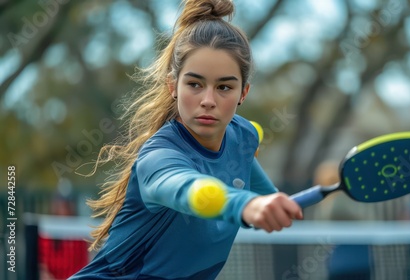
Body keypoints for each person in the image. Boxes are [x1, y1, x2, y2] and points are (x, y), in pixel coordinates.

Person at [70, 0, 303, 279]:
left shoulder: (243, 137)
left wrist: (274, 206)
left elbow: (266, 196)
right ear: (173, 86)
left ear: (244, 93)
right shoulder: (158, 157)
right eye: (194, 84)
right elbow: (189, 189)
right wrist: (246, 205)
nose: (208, 100)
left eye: (224, 87)